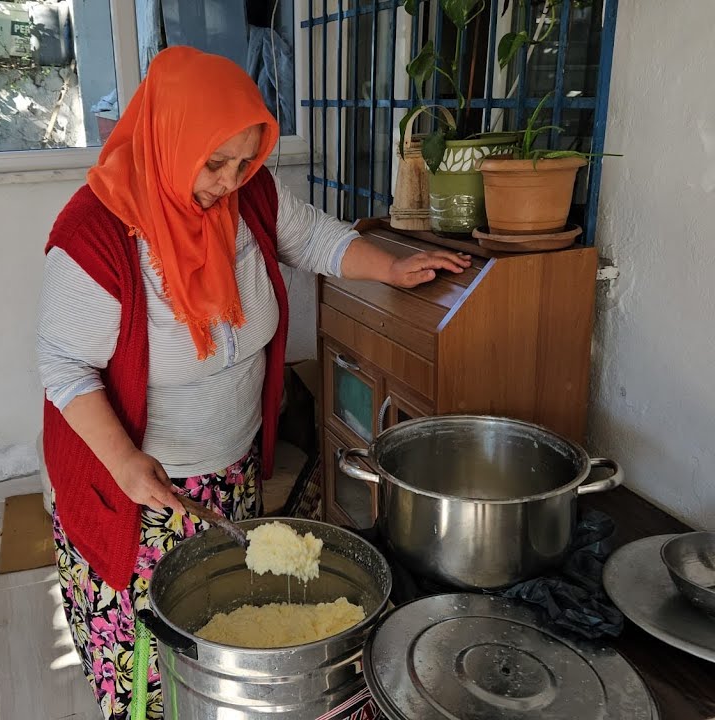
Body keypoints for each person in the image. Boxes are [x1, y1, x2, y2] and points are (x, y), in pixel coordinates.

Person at [37, 46, 469, 719]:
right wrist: (125, 464)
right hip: (133, 490)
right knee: (153, 668)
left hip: (227, 470)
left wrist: (393, 268)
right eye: (214, 162)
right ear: (167, 139)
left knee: (221, 643)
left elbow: (318, 240)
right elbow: (64, 367)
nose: (229, 180)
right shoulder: (95, 235)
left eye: (246, 161)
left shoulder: (250, 197)